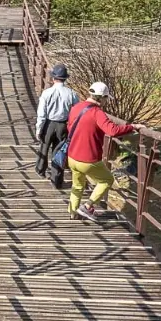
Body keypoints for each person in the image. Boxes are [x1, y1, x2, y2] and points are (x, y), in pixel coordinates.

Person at [66, 82, 147, 223]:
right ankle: (88, 206)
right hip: (88, 159)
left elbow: (69, 127)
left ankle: (73, 212)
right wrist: (132, 126)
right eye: (106, 98)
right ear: (102, 98)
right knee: (107, 180)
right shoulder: (97, 113)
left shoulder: (76, 107)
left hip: (72, 156)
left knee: (77, 185)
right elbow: (112, 131)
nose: (106, 101)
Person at [35, 64, 79, 180]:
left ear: (53, 78)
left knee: (44, 147)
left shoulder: (47, 93)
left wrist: (39, 128)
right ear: (65, 79)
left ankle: (40, 169)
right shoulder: (71, 93)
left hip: (49, 123)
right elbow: (77, 111)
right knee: (59, 151)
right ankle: (57, 178)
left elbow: (41, 113)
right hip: (63, 124)